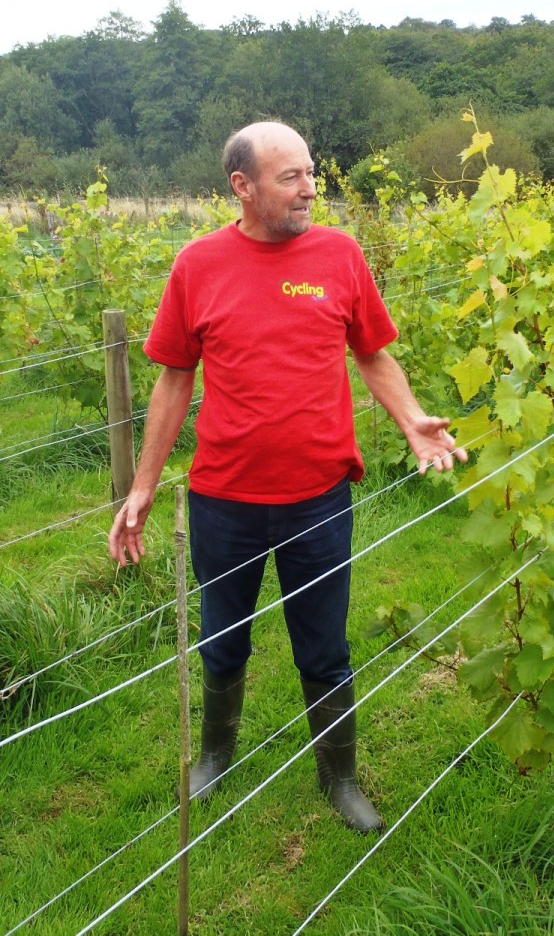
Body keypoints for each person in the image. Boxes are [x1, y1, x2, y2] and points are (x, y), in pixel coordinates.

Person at [108, 121, 466, 834]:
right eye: (290, 177)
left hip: (318, 499)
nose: (309, 189)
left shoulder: (339, 254)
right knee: (222, 637)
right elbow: (174, 381)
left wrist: (412, 418)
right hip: (223, 499)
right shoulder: (198, 265)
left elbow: (373, 354)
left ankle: (340, 778)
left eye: (311, 173)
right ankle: (215, 756)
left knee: (325, 644)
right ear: (241, 186)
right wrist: (144, 486)